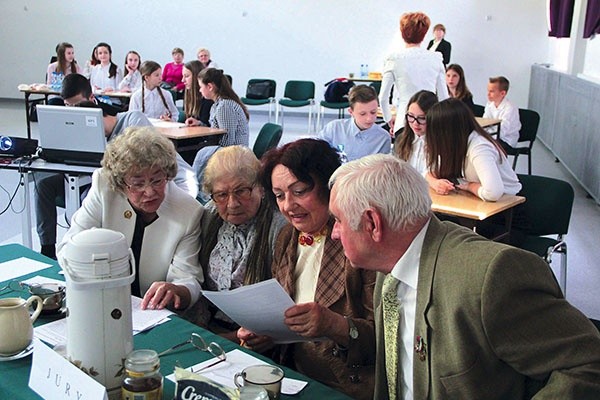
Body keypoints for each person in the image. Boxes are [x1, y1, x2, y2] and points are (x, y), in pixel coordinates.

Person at [328, 153, 600, 399]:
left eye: (338, 220)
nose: (334, 233)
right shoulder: (388, 268)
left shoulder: (491, 277)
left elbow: (588, 363)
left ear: (372, 224)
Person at [237, 139, 376, 400]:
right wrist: (266, 334)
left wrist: (334, 325)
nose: (288, 206)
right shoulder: (287, 236)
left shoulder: (360, 243)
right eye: (279, 196)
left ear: (329, 187)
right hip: (290, 375)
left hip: (344, 385)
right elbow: (287, 317)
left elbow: (385, 341)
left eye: (299, 191)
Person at [34, 74, 198, 259]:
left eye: (78, 106)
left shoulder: (131, 122)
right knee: (43, 185)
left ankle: (99, 251)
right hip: (84, 177)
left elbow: (153, 164)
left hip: (124, 185)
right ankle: (47, 249)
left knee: (89, 196)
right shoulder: (76, 127)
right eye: (69, 107)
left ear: (92, 102)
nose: (74, 112)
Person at [57, 127, 204, 310]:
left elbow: (189, 278)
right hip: (99, 298)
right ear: (120, 184)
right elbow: (68, 248)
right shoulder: (104, 187)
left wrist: (176, 290)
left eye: (157, 180)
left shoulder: (188, 212)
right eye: (138, 184)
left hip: (151, 311)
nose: (150, 192)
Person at [184, 146, 286, 342]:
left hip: (261, 338)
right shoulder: (208, 217)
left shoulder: (279, 227)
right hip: (209, 330)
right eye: (221, 195)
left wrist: (233, 337)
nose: (232, 203)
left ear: (260, 188)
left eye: (241, 191)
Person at [425, 98, 521, 201]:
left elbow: (493, 193)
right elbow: (430, 172)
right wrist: (435, 183)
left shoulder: (480, 147)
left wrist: (470, 186)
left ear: (447, 132)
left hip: (507, 204)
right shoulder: (455, 145)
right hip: (478, 201)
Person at [380, 12, 448, 137]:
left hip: (404, 121)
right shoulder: (436, 58)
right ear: (424, 34)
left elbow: (383, 97)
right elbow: (444, 97)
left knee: (400, 156)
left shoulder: (394, 59)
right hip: (429, 122)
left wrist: (388, 119)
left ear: (402, 33)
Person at [318, 85, 391, 161]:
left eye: (373, 112)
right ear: (351, 112)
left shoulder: (383, 138)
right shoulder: (334, 128)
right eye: (362, 114)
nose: (369, 118)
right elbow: (317, 153)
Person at [195, 68, 249, 146]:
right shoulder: (217, 105)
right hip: (227, 152)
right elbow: (217, 131)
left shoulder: (225, 106)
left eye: (200, 86)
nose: (200, 90)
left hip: (234, 154)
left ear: (210, 87)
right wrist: (200, 124)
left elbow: (227, 141)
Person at [393, 90, 438, 175]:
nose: (415, 123)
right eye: (411, 116)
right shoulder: (401, 138)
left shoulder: (441, 142)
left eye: (422, 118)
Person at [483, 76, 521, 150]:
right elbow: (485, 123)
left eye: (492, 91)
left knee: (484, 146)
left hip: (506, 140)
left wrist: (485, 134)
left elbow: (502, 131)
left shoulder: (510, 108)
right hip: (492, 137)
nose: (488, 94)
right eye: (488, 91)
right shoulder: (489, 104)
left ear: (503, 93)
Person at [182, 60, 213, 126]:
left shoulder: (208, 98)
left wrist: (199, 123)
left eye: (187, 76)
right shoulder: (187, 94)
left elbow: (211, 126)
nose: (183, 80)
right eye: (183, 76)